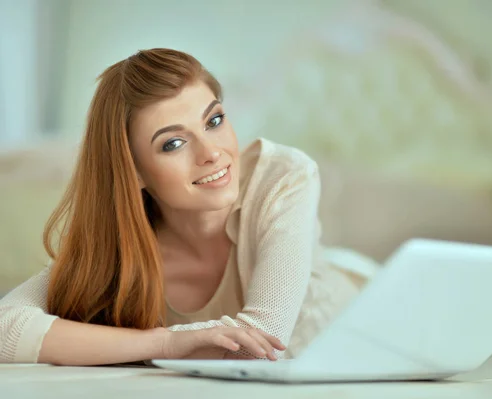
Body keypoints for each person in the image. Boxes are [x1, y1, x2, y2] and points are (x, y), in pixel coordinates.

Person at [0, 48, 377, 365]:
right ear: (132, 171)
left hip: (374, 318)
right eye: (173, 144)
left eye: (214, 120)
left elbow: (261, 345)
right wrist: (164, 343)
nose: (212, 153)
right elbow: (6, 329)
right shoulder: (118, 244)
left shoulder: (284, 177)